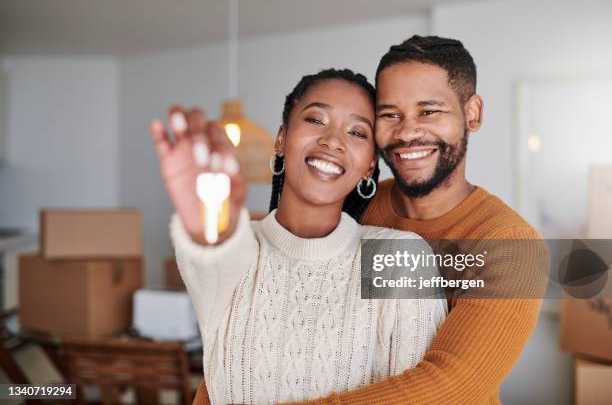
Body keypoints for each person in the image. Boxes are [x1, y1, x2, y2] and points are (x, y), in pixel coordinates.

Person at [149, 69, 447, 404]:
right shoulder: (242, 249)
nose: (333, 140)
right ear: (281, 139)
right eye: (316, 119)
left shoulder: (397, 259)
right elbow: (212, 250)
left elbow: (422, 397)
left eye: (357, 132)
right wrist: (204, 214)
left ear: (369, 166)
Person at [285, 35, 548, 405]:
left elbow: (451, 387)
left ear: (472, 113)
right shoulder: (352, 207)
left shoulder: (509, 243)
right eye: (390, 114)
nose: (407, 132)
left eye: (429, 111)